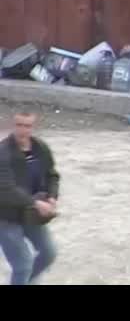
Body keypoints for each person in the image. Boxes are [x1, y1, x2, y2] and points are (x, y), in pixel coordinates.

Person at [0, 110, 60, 286]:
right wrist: (35, 203)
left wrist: (52, 196)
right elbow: (5, 188)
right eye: (19, 125)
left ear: (33, 127)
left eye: (27, 126)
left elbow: (52, 175)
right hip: (6, 217)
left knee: (49, 253)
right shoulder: (3, 152)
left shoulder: (40, 148)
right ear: (13, 125)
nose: (23, 130)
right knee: (23, 264)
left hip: (31, 215)